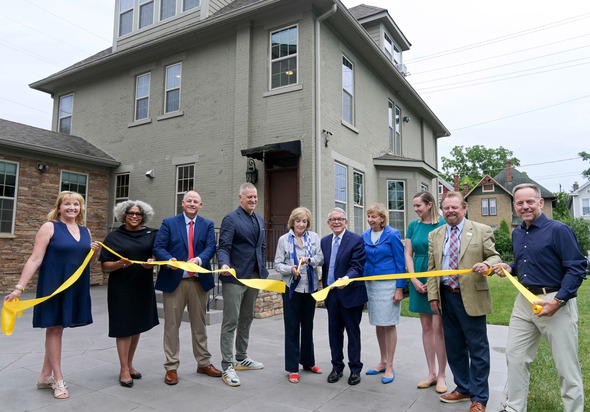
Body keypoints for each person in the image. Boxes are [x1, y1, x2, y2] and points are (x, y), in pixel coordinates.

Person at [492, 184, 587, 412]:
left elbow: (577, 268)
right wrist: (510, 267)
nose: (525, 207)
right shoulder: (517, 232)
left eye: (530, 202)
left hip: (554, 300)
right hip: (524, 302)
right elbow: (526, 263)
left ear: (540, 202)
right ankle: (514, 408)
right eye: (520, 203)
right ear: (514, 205)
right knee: (515, 358)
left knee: (566, 366)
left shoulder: (559, 230)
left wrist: (558, 301)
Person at [4, 191, 101, 400]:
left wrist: (93, 253)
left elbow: (85, 264)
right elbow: (34, 259)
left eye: (76, 204)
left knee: (59, 328)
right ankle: (58, 379)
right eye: (67, 204)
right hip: (53, 285)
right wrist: (19, 288)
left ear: (81, 208)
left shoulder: (86, 231)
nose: (72, 208)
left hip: (75, 286)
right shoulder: (49, 227)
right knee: (55, 328)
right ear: (59, 207)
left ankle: (44, 377)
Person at [427, 191, 501, 412]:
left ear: (464, 207)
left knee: (477, 349)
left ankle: (479, 398)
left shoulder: (481, 230)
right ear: (442, 210)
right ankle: (463, 387)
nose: (450, 211)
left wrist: (488, 266)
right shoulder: (436, 235)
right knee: (455, 347)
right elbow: (432, 268)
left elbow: (495, 256)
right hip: (446, 296)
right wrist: (433, 295)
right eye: (446, 208)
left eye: (455, 207)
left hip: (472, 297)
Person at [153, 190, 221, 385]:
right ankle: (171, 367)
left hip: (198, 282)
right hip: (175, 282)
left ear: (201, 205)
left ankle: (203, 363)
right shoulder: (169, 223)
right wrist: (168, 260)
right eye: (189, 201)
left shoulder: (207, 225)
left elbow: (211, 247)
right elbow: (159, 247)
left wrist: (199, 259)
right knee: (172, 326)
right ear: (183, 203)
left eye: (196, 202)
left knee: (199, 325)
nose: (192, 204)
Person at [99, 200, 159, 388]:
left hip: (142, 285)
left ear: (144, 216)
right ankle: (124, 368)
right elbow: (104, 266)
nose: (134, 216)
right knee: (124, 327)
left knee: (137, 326)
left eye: (138, 214)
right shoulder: (113, 236)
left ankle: (130, 363)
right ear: (123, 214)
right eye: (131, 213)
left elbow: (158, 254)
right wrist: (119, 264)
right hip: (121, 288)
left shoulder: (152, 234)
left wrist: (154, 261)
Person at [217, 182, 269, 387]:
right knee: (230, 321)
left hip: (255, 276)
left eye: (255, 197)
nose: (253, 200)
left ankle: (241, 357)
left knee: (246, 318)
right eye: (249, 197)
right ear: (241, 198)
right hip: (235, 278)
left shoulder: (259, 218)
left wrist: (263, 268)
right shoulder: (231, 219)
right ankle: (227, 366)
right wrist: (224, 264)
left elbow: (262, 247)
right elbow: (224, 247)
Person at [274, 207, 324, 383]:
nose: (301, 224)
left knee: (308, 326)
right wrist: (291, 269)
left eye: (304, 221)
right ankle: (293, 367)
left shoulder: (314, 238)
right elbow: (277, 264)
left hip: (310, 288)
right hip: (291, 289)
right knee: (292, 327)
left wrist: (309, 261)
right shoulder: (284, 240)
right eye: (298, 221)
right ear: (292, 222)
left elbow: (321, 258)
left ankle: (308, 362)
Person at [404, 192, 447, 393]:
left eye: (418, 205)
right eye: (414, 206)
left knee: (439, 328)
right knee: (426, 327)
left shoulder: (443, 224)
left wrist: (433, 281)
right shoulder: (413, 226)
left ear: (429, 205)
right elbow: (408, 254)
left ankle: (442, 375)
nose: (416, 209)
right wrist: (413, 278)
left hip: (437, 276)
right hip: (417, 275)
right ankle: (430, 373)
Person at [320, 208, 367, 386]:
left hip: (351, 294)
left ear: (346, 222)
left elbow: (357, 265)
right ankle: (337, 367)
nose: (337, 222)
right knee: (334, 333)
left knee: (353, 333)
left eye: (340, 219)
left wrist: (347, 278)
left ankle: (355, 369)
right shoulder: (324, 242)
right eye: (333, 219)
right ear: (328, 223)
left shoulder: (356, 240)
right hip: (331, 295)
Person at [361, 203, 405, 384]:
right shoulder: (364, 235)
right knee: (379, 323)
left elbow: (400, 262)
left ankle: (390, 366)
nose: (371, 220)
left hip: (389, 284)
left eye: (374, 216)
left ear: (382, 218)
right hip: (371, 284)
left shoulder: (393, 234)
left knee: (389, 323)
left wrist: (400, 288)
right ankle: (382, 361)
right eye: (369, 216)